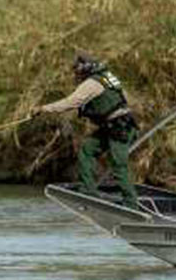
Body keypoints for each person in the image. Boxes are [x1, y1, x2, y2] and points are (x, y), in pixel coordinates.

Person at [35, 54, 140, 208]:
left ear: (86, 69)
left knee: (119, 164)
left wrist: (43, 108)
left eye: (77, 71)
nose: (76, 75)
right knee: (87, 149)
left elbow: (71, 102)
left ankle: (131, 203)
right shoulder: (107, 78)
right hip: (115, 126)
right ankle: (89, 190)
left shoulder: (92, 83)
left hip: (119, 128)